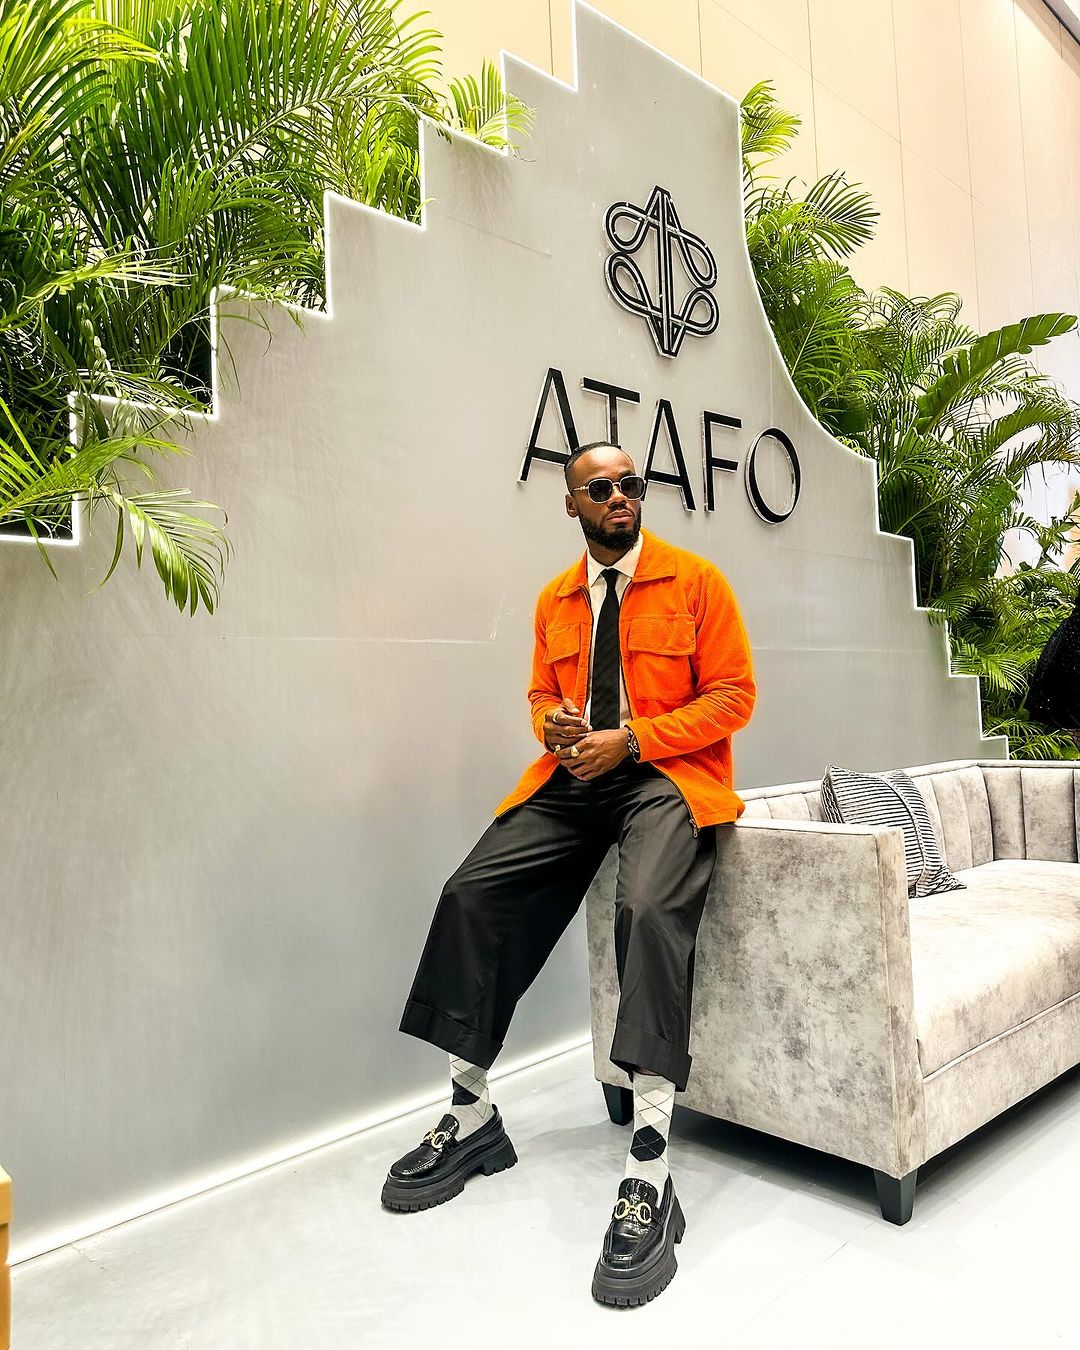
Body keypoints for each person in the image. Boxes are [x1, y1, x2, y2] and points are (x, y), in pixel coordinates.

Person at [381, 441, 757, 1306]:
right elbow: (538, 695)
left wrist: (634, 740)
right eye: (601, 487)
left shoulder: (697, 581)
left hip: (667, 778)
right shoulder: (555, 599)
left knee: (648, 909)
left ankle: (651, 1160)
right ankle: (472, 1110)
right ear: (573, 505)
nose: (620, 496)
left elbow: (734, 696)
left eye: (631, 484)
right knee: (471, 893)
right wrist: (553, 724)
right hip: (574, 778)